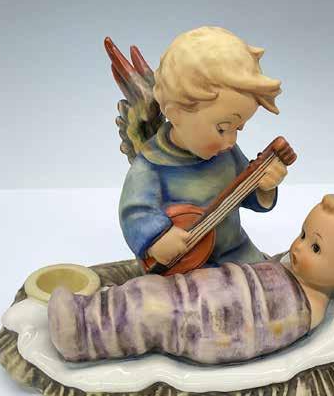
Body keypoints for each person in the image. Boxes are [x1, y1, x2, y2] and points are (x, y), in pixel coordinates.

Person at [48, 195, 334, 365]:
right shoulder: (292, 270)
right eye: (303, 234)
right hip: (201, 292)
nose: (298, 247)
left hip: (202, 320)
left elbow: (249, 334)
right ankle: (88, 310)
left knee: (152, 314)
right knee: (148, 291)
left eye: (315, 247)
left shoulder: (305, 310)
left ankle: (81, 336)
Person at [119, 26, 287, 267]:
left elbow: (245, 194)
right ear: (176, 114)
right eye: (222, 128)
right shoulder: (152, 164)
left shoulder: (227, 153)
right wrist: (157, 239)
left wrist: (264, 188)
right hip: (186, 266)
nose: (231, 141)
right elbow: (134, 212)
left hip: (236, 254)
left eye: (237, 129)